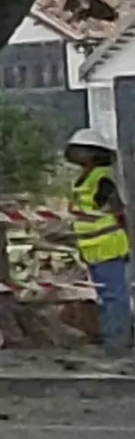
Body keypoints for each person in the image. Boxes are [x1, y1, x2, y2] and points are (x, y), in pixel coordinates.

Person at [71, 132, 130, 353]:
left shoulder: (102, 180)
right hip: (93, 247)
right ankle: (114, 338)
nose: (78, 153)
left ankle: (117, 343)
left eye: (83, 149)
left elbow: (117, 210)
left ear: (95, 154)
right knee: (106, 296)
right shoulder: (85, 179)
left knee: (114, 296)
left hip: (108, 245)